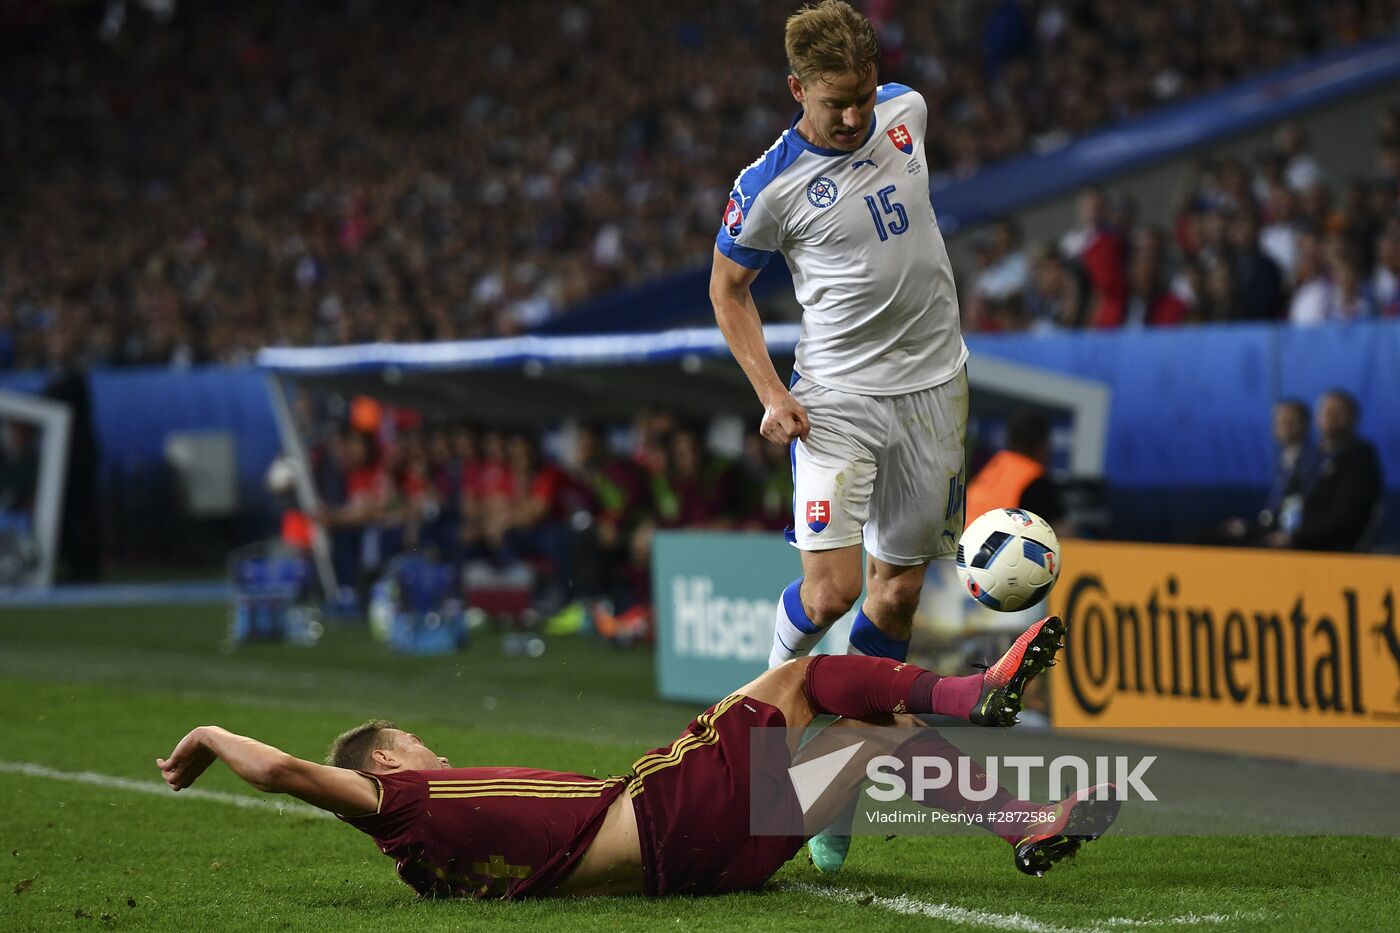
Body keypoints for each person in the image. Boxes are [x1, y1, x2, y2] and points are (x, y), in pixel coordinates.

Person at [158, 615, 1119, 899]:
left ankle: (1023, 824)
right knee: (804, 676)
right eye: (404, 741)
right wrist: (206, 734)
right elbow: (286, 770)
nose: (422, 745)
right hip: (663, 810)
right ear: (388, 754)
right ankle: (974, 693)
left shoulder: (430, 868)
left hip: (717, 864)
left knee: (874, 738)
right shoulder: (401, 799)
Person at [708, 0, 970, 870]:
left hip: (935, 387)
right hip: (838, 400)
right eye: (835, 105)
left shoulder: (908, 111)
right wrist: (771, 391)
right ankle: (751, 728)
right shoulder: (767, 185)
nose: (856, 117)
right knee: (827, 596)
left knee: (894, 600)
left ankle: (832, 786)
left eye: (862, 96)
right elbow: (727, 291)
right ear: (796, 91)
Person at [1271, 390, 1384, 552]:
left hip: (1327, 550)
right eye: (1325, 410)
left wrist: (1295, 537)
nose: (1330, 416)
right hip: (1295, 540)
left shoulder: (1358, 457)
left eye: (1338, 411)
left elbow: (1345, 521)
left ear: (1353, 418)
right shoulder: (1311, 458)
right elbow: (1290, 504)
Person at [1221, 399, 1319, 545]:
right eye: (1280, 421)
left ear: (1305, 424)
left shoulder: (1315, 461)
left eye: (1291, 421)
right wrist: (1247, 526)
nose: (1285, 426)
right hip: (1272, 529)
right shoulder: (1285, 460)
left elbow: (1305, 508)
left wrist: (1291, 535)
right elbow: (1273, 511)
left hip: (1298, 538)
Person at [965, 411, 1067, 533]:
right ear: (1041, 445)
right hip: (998, 547)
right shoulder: (1034, 479)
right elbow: (1061, 531)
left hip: (966, 544)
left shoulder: (994, 466)